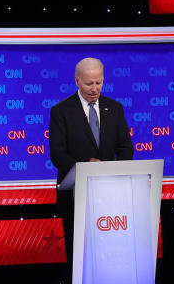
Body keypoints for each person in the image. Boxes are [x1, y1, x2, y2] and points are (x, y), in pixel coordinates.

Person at [48, 57, 134, 261]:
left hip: (111, 193)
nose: (95, 88)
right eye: (89, 83)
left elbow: (125, 148)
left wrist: (114, 172)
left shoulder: (114, 108)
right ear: (77, 81)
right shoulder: (61, 111)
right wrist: (86, 168)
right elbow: (57, 154)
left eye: (99, 82)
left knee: (110, 251)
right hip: (75, 195)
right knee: (80, 253)